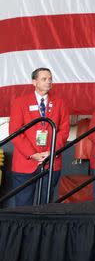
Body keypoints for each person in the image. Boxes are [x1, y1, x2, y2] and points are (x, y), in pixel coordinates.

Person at [9, 67, 70, 206]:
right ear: (34, 82)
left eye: (50, 79)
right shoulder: (20, 102)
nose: (48, 82)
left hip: (51, 161)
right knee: (23, 204)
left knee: (45, 204)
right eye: (44, 79)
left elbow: (64, 131)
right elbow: (15, 132)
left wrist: (51, 151)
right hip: (25, 163)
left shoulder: (60, 103)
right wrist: (32, 154)